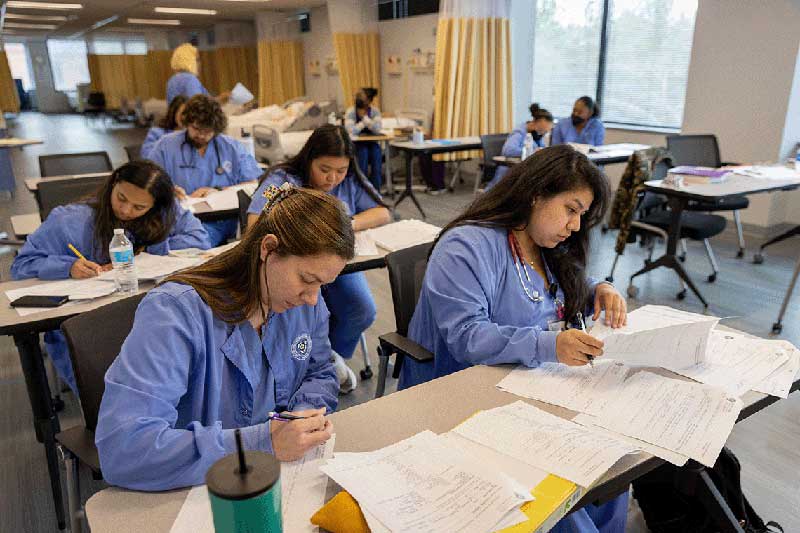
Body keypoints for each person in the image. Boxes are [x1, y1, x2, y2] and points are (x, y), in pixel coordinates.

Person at [398, 145, 628, 532]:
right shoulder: (467, 246)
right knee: (557, 496)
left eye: (582, 215)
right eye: (570, 209)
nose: (575, 225)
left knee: (612, 470)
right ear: (536, 193)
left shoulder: (544, 244)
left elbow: (555, 293)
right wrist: (550, 346)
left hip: (527, 386)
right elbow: (467, 338)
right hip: (460, 396)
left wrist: (599, 288)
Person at [96, 184, 351, 490]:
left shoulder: (305, 302)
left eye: (322, 285)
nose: (313, 298)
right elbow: (125, 449)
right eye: (307, 279)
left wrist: (301, 417)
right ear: (268, 248)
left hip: (276, 475)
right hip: (189, 486)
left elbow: (319, 371)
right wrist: (261, 443)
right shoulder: (175, 313)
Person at [11, 161, 211, 393]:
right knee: (116, 393)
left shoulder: (168, 213)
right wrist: (68, 266)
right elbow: (21, 266)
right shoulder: (69, 221)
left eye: (139, 207)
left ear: (156, 205)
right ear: (113, 185)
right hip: (89, 322)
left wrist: (145, 253)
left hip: (150, 311)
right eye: (121, 198)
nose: (126, 211)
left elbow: (199, 240)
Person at [248, 124, 391, 392]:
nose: (332, 179)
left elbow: (382, 212)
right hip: (295, 266)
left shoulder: (349, 181)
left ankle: (329, 361)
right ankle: (306, 366)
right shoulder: (283, 180)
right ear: (309, 158)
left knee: (362, 308)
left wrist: (345, 224)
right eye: (324, 170)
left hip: (334, 267)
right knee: (300, 310)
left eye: (341, 170)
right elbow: (255, 222)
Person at [150, 94, 262, 246]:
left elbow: (253, 184)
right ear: (186, 122)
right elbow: (149, 182)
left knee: (199, 241)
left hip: (223, 220)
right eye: (196, 129)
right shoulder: (166, 146)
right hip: (181, 218)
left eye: (208, 131)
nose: (201, 136)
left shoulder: (231, 147)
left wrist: (217, 190)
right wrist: (168, 190)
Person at [485, 103, 555, 190]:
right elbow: (507, 150)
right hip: (509, 171)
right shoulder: (519, 133)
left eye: (545, 132)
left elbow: (540, 148)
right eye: (542, 130)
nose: (543, 133)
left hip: (523, 170)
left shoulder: (535, 135)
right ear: (536, 123)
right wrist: (529, 151)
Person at [165, 43, 230, 105]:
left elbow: (205, 101)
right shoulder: (190, 79)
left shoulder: (171, 80)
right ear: (189, 61)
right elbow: (198, 106)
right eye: (197, 60)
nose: (200, 63)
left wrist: (220, 98)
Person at [345, 88, 384, 191]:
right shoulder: (351, 112)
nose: (358, 99)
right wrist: (364, 122)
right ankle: (361, 190)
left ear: (369, 100)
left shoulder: (375, 111)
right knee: (363, 154)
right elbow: (351, 131)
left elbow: (377, 129)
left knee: (376, 154)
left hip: (372, 143)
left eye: (362, 97)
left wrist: (365, 119)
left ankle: (376, 192)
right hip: (357, 144)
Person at [140, 95, 187, 160]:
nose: (185, 117)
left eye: (189, 113)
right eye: (183, 113)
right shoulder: (156, 133)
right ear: (173, 112)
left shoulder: (193, 135)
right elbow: (147, 157)